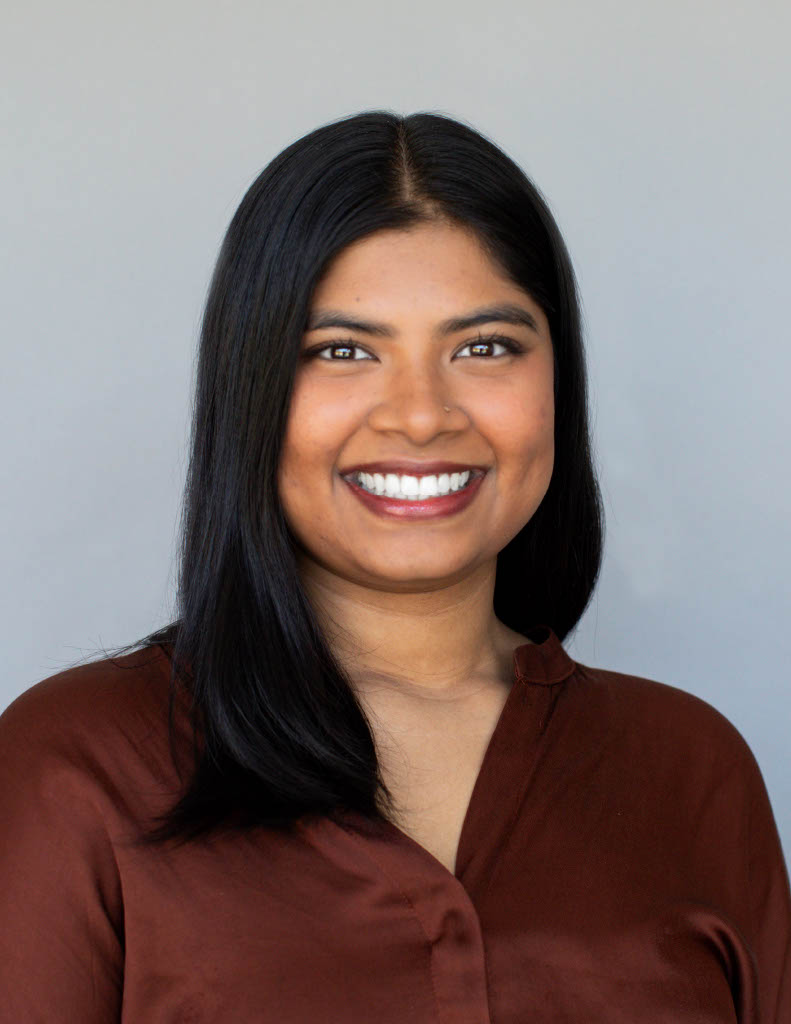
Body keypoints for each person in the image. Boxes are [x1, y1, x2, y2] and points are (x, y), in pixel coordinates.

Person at [1, 109, 788, 1023]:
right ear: (251, 388)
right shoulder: (76, 766)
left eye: (483, 347)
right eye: (342, 351)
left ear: (557, 383)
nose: (420, 415)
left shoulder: (687, 769)